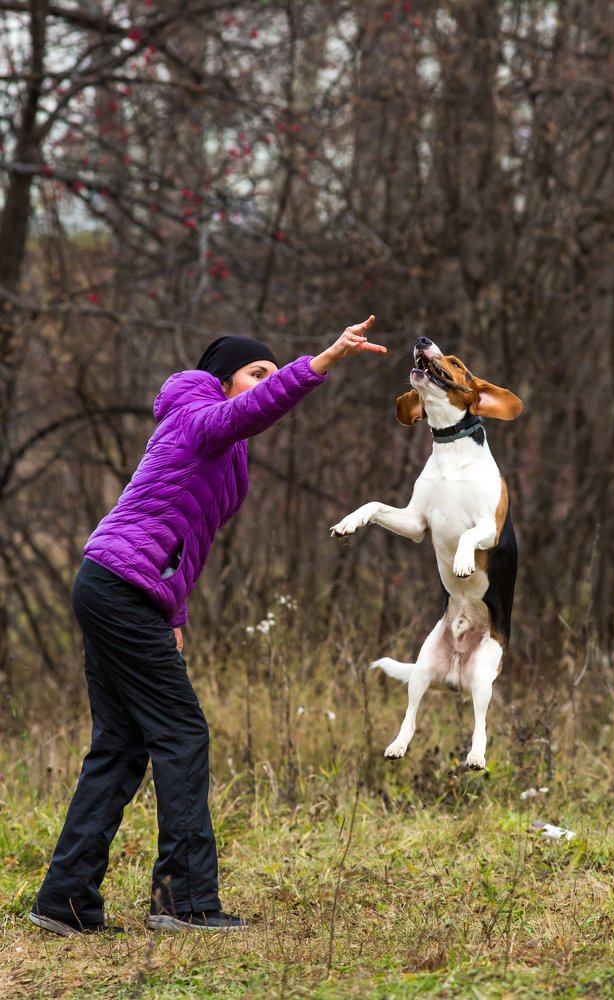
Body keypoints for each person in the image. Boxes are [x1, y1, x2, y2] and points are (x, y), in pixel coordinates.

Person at [29, 316, 385, 936]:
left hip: (122, 588)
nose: (265, 383)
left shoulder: (220, 438)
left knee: (121, 745)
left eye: (272, 374)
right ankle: (184, 901)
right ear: (222, 380)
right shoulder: (197, 414)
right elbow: (244, 415)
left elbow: (185, 535)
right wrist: (320, 361)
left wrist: (175, 613)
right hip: (119, 587)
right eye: (256, 373)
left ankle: (65, 903)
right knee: (182, 733)